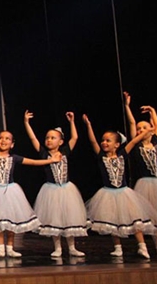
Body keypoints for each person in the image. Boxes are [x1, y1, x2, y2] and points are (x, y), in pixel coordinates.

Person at [0, 119, 61, 258]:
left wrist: (50, 161)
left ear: (12, 144)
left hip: (11, 192)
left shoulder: (14, 158)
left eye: (7, 139)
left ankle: (10, 247)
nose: (3, 140)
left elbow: (33, 162)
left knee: (10, 220)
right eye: (1, 138)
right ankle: (0, 248)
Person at [82, 114, 157, 259]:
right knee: (112, 221)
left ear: (117, 145)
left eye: (108, 141)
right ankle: (117, 247)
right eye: (103, 140)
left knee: (135, 219)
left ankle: (142, 246)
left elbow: (135, 140)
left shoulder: (122, 154)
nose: (104, 143)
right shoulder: (101, 156)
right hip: (108, 193)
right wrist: (88, 126)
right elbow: (92, 141)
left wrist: (149, 131)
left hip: (124, 193)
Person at [24, 110, 89, 257]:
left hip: (67, 189)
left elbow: (75, 137)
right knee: (55, 218)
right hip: (51, 190)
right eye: (47, 137)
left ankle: (72, 247)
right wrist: (27, 123)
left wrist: (72, 122)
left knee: (69, 217)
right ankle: (58, 247)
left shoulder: (65, 151)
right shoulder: (44, 154)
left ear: (60, 142)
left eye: (53, 137)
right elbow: (33, 138)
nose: (49, 140)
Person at [123, 92, 157, 255]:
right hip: (144, 183)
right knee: (146, 214)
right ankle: (149, 244)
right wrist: (127, 106)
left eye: (144, 127)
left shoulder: (156, 142)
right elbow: (131, 122)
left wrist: (152, 111)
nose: (140, 130)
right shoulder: (137, 146)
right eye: (139, 129)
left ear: (151, 131)